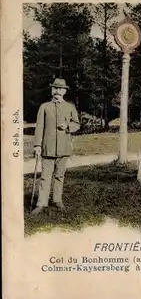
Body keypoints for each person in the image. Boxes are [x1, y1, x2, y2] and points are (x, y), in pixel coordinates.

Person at [31, 78, 81, 216]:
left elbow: (77, 124)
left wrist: (68, 127)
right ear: (52, 90)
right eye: (55, 88)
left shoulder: (70, 107)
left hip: (64, 148)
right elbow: (39, 127)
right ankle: (41, 203)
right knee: (45, 177)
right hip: (48, 148)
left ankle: (57, 200)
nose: (58, 91)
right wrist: (37, 145)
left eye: (60, 89)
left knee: (60, 176)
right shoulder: (44, 107)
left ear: (64, 91)